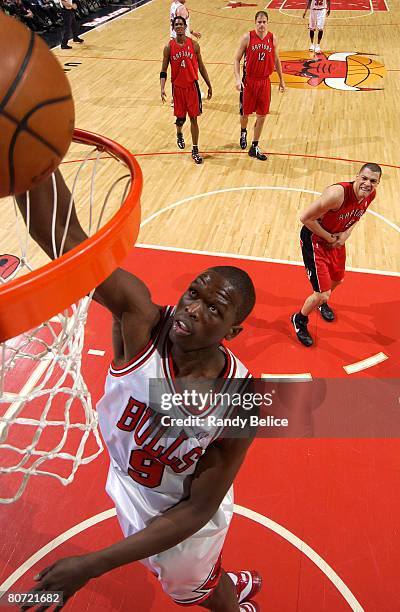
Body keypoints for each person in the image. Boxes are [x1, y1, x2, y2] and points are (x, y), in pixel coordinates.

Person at [17, 170, 262, 612]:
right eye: (193, 293)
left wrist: (91, 565)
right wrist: (30, 158)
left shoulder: (241, 398)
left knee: (190, 594)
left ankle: (233, 597)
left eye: (213, 309)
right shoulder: (141, 322)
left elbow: (195, 511)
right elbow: (65, 238)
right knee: (185, 583)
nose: (191, 309)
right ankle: (220, 582)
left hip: (181, 520)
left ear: (234, 330)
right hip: (128, 483)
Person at [291, 163, 382, 347]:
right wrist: (329, 237)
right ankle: (299, 319)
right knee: (322, 294)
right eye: (364, 178)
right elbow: (305, 218)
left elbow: (357, 216)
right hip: (315, 239)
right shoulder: (336, 195)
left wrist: (346, 234)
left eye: (373, 181)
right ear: (356, 176)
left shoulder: (370, 195)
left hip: (335, 238)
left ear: (378, 183)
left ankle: (321, 303)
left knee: (338, 280)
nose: (367, 184)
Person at [233, 10, 285, 161]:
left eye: (264, 22)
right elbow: (236, 59)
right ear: (255, 23)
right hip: (249, 81)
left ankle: (254, 145)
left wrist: (281, 80)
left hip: (264, 81)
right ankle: (243, 131)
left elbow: (276, 60)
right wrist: (237, 79)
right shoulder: (247, 37)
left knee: (262, 115)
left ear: (267, 23)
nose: (262, 25)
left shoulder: (272, 38)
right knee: (245, 114)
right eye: (259, 22)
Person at [161, 16, 212, 165]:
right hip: (177, 88)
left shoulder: (194, 45)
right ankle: (179, 133)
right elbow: (163, 70)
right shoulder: (168, 47)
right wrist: (162, 88)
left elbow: (201, 67)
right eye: (176, 24)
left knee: (194, 118)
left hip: (192, 87)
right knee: (181, 119)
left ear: (185, 26)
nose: (178, 27)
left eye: (181, 24)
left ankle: (195, 150)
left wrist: (209, 84)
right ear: (173, 27)